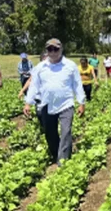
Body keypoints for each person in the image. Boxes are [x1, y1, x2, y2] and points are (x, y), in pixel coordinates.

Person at [24, 38, 85, 166]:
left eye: (55, 49)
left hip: (66, 104)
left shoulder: (70, 66)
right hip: (46, 104)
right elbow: (34, 85)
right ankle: (56, 153)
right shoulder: (40, 67)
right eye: (49, 49)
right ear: (46, 51)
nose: (52, 52)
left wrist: (81, 102)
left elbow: (77, 84)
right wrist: (28, 102)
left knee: (66, 132)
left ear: (61, 49)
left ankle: (63, 161)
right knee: (50, 132)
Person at [19, 52, 48, 130]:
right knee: (40, 114)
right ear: (41, 61)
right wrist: (22, 90)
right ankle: (44, 129)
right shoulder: (37, 70)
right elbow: (30, 81)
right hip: (39, 98)